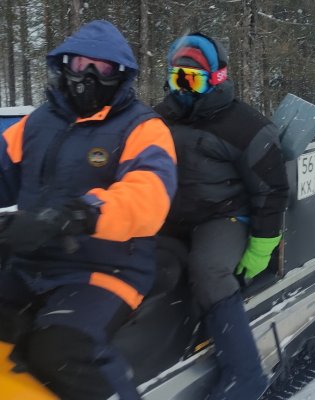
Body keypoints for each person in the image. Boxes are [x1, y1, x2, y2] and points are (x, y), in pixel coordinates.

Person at [0, 20, 177, 400]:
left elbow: (149, 196)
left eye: (104, 68)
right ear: (64, 65)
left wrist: (75, 215)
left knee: (60, 350)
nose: (91, 77)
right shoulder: (37, 123)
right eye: (82, 65)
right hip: (30, 262)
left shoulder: (143, 128)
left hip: (106, 268)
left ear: (122, 75)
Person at [155, 32, 289, 400]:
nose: (182, 88)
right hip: (170, 215)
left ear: (215, 78)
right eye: (176, 77)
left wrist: (262, 247)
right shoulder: (158, 119)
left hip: (225, 216)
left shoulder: (245, 125)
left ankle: (245, 376)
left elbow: (272, 190)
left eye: (192, 79)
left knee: (208, 269)